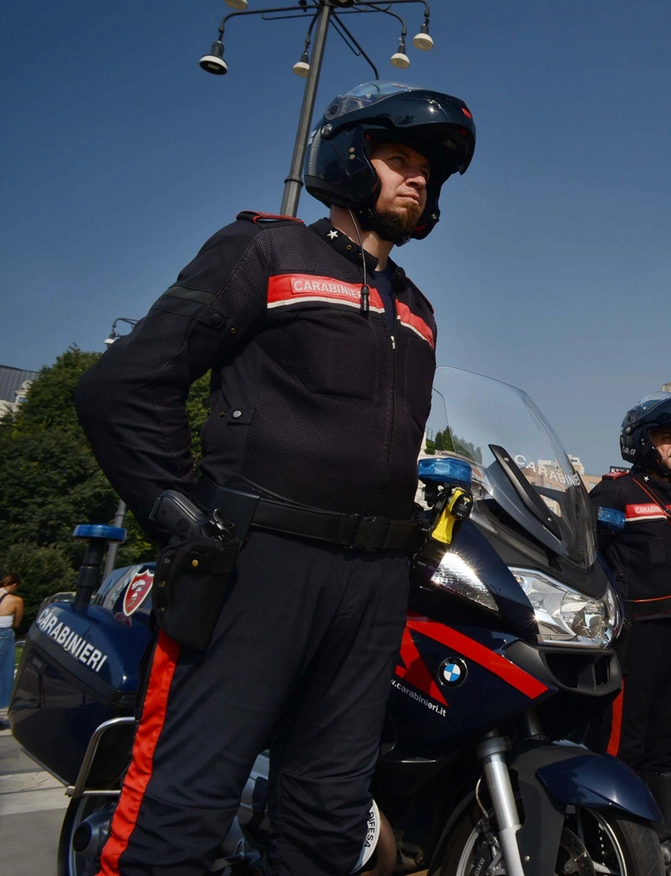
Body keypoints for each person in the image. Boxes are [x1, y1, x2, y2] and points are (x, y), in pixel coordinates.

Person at [73, 81, 474, 875]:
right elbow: (121, 387)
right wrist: (180, 510)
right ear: (350, 158)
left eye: (428, 172)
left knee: (328, 819)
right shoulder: (266, 250)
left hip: (371, 590)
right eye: (399, 160)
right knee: (182, 806)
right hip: (255, 568)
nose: (418, 180)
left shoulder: (419, 308)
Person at [591, 393, 671, 876]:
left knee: (666, 746)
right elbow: (586, 555)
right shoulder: (616, 494)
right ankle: (612, 847)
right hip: (637, 638)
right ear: (642, 443)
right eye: (667, 438)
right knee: (627, 746)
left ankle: (662, 852)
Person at [0, 574, 22, 731]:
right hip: (3, 635)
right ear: (14, 585)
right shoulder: (15, 600)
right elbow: (17, 622)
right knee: (4, 674)